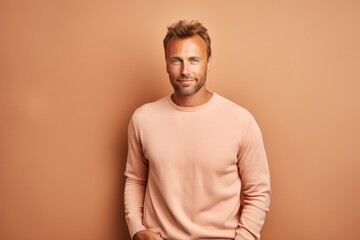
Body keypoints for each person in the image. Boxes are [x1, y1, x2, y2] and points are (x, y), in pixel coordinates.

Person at [124, 20, 271, 240]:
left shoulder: (241, 121)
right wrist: (136, 228)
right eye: (176, 60)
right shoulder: (143, 118)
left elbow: (258, 192)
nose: (185, 70)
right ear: (166, 63)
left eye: (194, 60)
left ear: (208, 63)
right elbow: (135, 179)